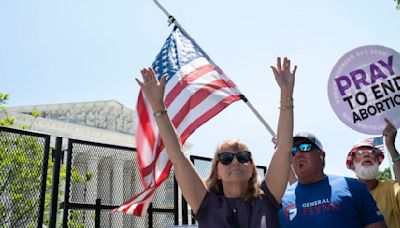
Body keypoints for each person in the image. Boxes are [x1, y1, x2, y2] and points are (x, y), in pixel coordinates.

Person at [136, 57, 296, 228]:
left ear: (251, 169)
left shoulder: (267, 199)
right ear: (217, 171)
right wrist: (158, 106)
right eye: (226, 158)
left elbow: (284, 149)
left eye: (242, 157)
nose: (235, 162)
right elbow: (178, 157)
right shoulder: (206, 204)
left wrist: (286, 94)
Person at [279, 132, 386, 228]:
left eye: (305, 147)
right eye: (293, 151)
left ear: (322, 155)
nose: (298, 154)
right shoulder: (281, 202)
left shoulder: (354, 187)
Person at [346, 118, 400, 228]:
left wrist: (391, 147)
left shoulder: (391, 188)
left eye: (371, 152)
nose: (367, 155)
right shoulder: (347, 197)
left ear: (377, 161)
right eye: (360, 152)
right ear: (352, 165)